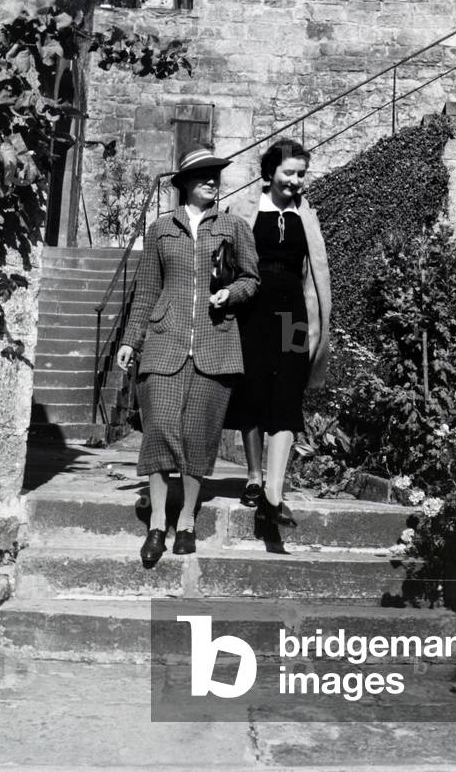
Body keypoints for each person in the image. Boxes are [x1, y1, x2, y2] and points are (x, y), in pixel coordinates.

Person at [116, 144, 260, 565]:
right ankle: (158, 522)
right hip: (164, 341)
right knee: (159, 426)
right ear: (184, 184)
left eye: (216, 175)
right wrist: (130, 340)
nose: (212, 181)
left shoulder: (233, 227)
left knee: (198, 433)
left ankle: (187, 522)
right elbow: (145, 291)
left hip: (215, 344)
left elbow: (252, 279)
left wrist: (229, 293)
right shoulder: (161, 229)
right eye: (204, 175)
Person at [231, 137, 331, 530]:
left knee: (288, 391)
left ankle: (274, 494)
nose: (295, 181)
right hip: (253, 314)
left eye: (301, 174)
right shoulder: (246, 210)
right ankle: (255, 478)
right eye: (288, 173)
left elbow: (315, 271)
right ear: (269, 173)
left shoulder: (308, 215)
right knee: (253, 391)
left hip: (293, 317)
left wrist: (315, 325)